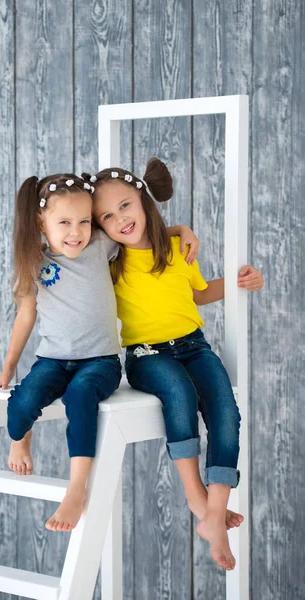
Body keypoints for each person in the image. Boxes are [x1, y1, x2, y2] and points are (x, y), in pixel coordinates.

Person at [0, 170, 198, 531]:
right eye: (64, 222)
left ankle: (76, 487)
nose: (76, 231)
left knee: (81, 397)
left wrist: (181, 230)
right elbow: (25, 317)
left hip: (101, 362)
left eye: (84, 221)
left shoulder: (99, 246)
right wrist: (7, 370)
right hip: (52, 360)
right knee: (20, 405)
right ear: (41, 221)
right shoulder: (35, 263)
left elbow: (140, 233)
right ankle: (21, 437)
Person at [87, 158, 263, 570]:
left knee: (225, 409)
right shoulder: (111, 263)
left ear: (143, 200)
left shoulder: (179, 250)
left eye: (125, 206)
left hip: (194, 346)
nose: (120, 220)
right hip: (147, 354)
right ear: (101, 229)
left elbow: (200, 295)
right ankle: (195, 495)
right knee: (179, 392)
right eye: (108, 218)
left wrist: (241, 282)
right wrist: (179, 225)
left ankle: (215, 513)